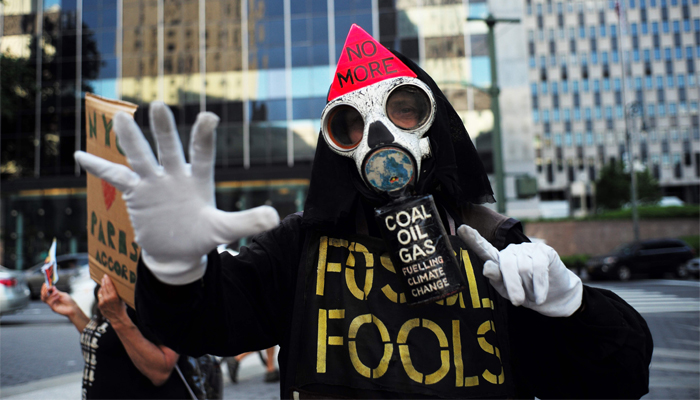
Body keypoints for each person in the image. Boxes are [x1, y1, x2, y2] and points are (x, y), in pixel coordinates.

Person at [75, 25, 653, 399]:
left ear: (434, 121)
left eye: (404, 109)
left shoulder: (498, 254)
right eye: (349, 123)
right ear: (335, 144)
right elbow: (205, 324)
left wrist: (572, 307)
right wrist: (176, 270)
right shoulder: (301, 249)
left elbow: (619, 379)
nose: (377, 136)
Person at [41, 275, 189, 399]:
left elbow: (161, 372)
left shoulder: (163, 285)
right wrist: (73, 311)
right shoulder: (111, 277)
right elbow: (108, 341)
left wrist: (119, 318)